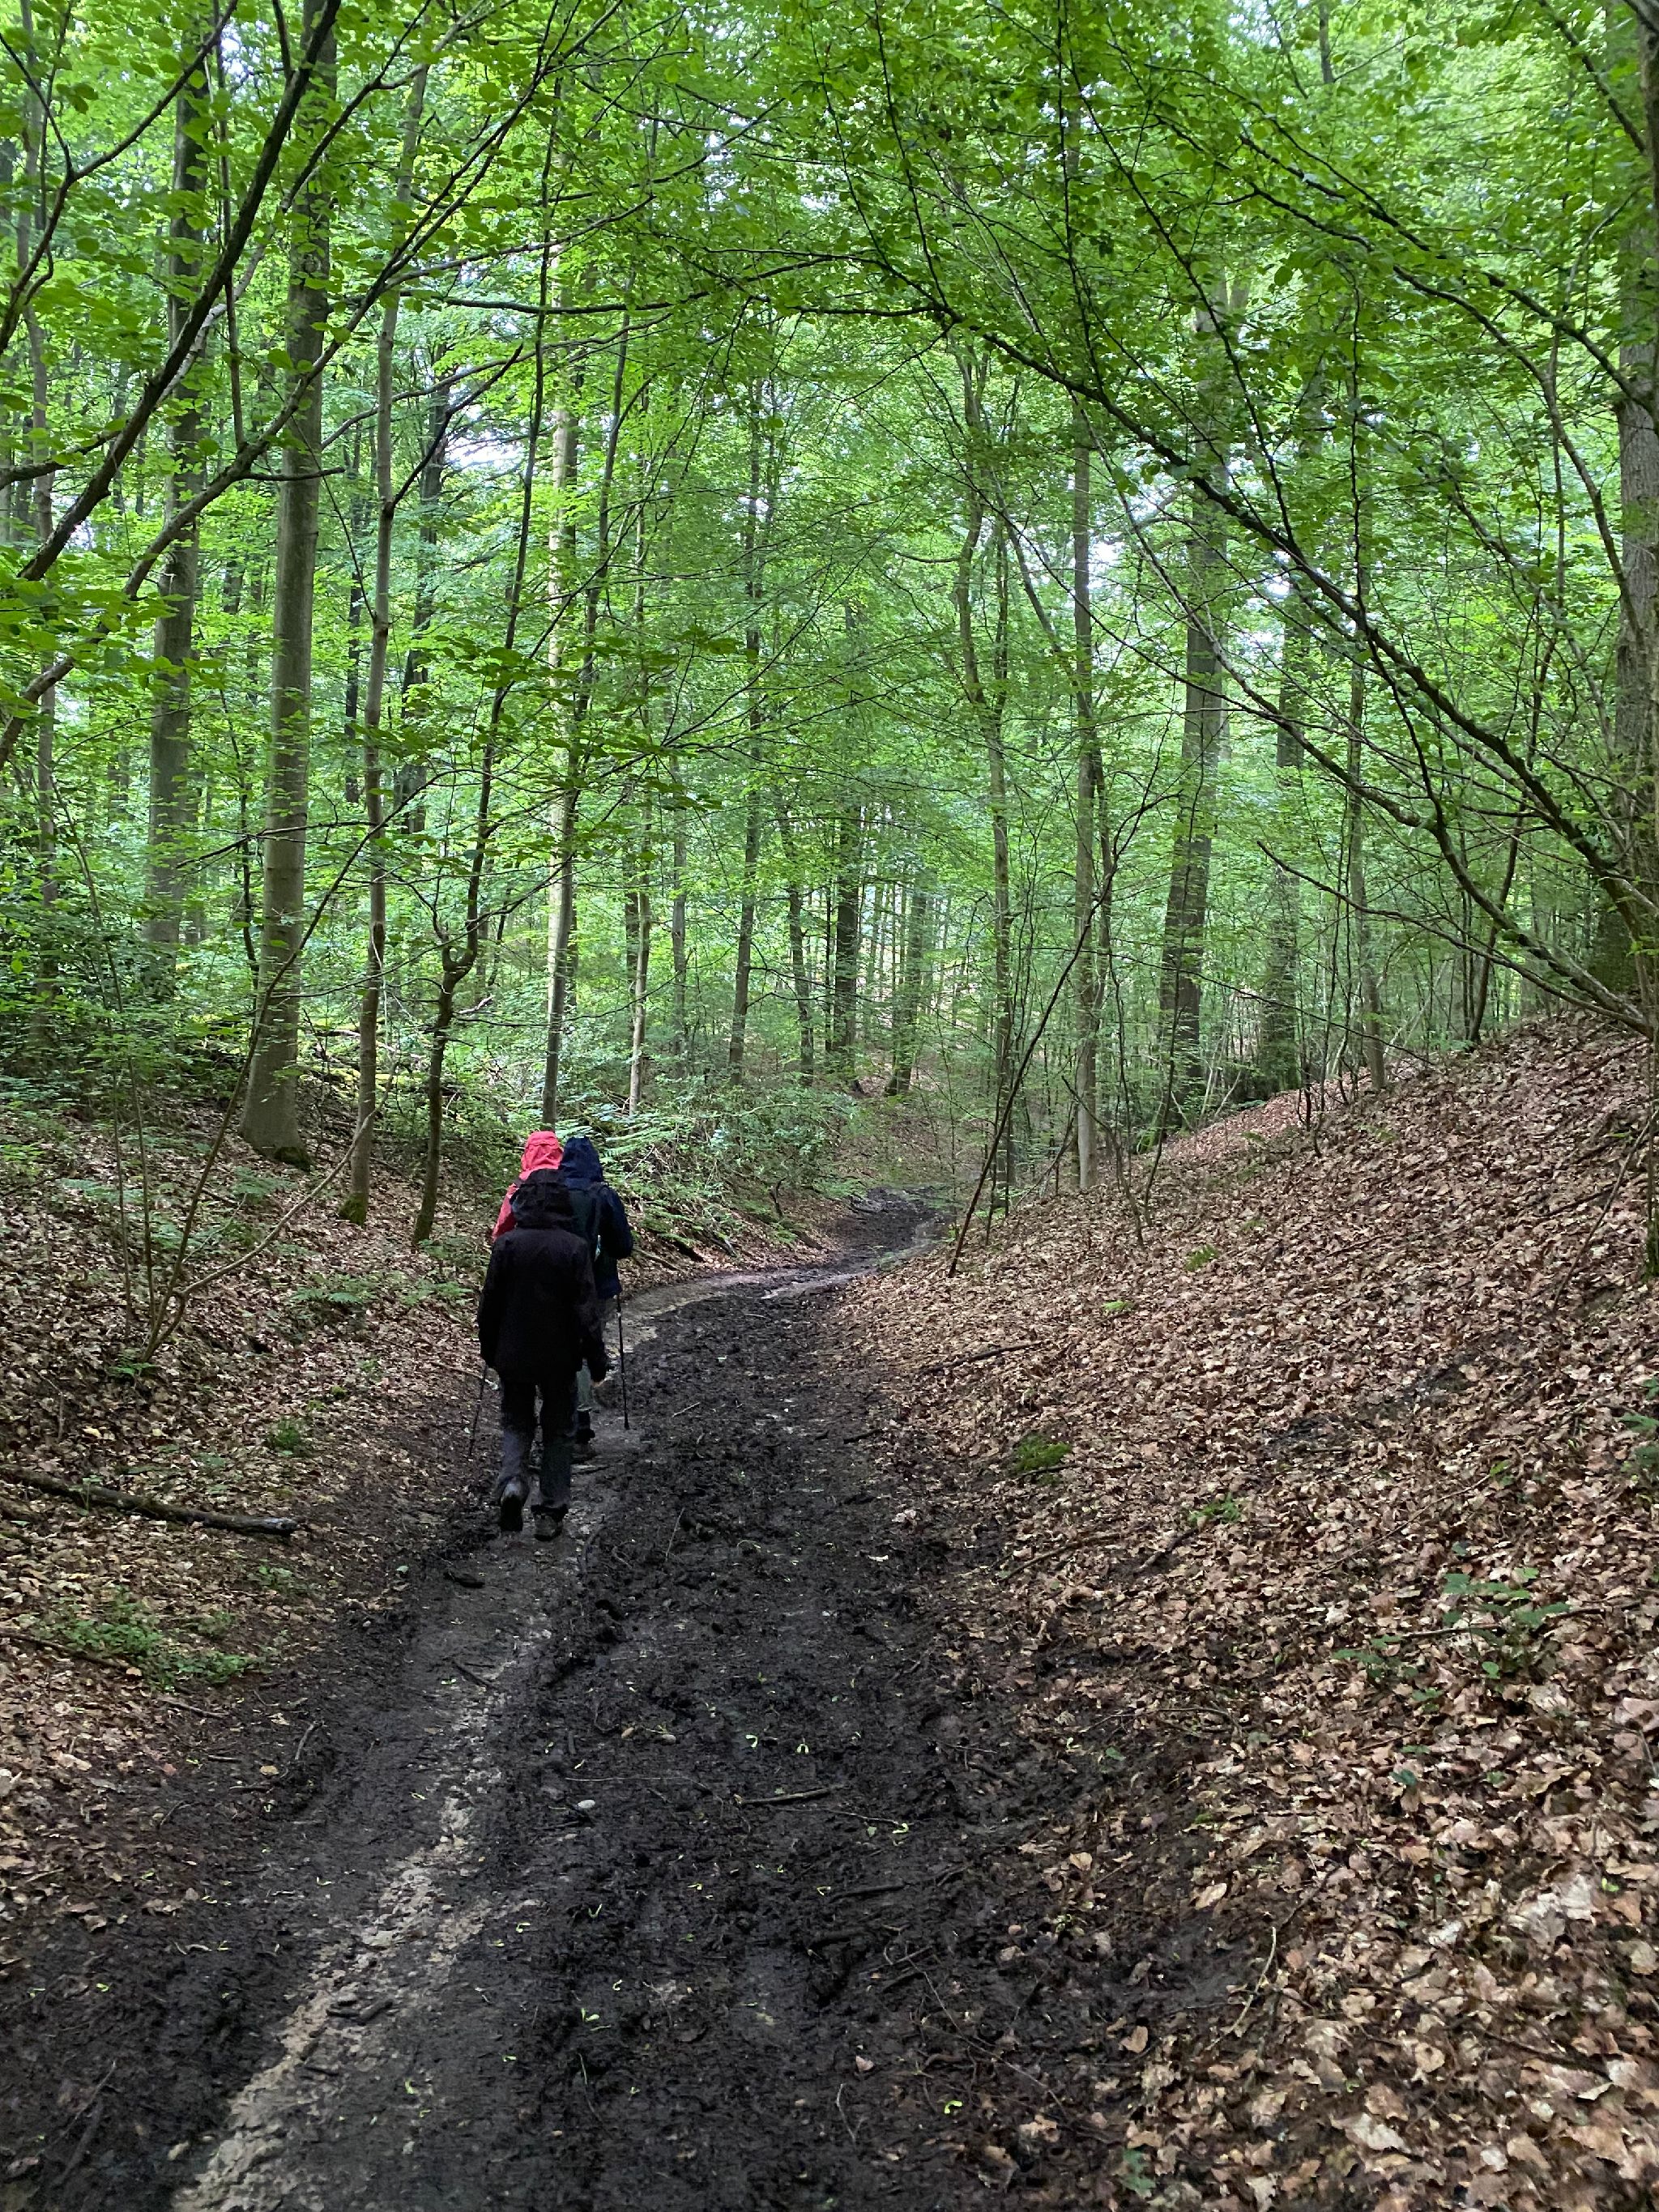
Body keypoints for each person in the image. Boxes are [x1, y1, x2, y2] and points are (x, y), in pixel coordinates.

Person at [476, 1167, 608, 1536]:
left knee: (516, 1421)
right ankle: (550, 1511)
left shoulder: (507, 1245)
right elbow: (586, 1312)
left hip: (513, 1354)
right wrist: (597, 1360)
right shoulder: (575, 1248)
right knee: (559, 1430)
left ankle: (513, 1483)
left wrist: (490, 1349)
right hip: (560, 1358)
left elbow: (490, 1305)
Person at [557, 1134, 634, 1460]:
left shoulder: (550, 1192)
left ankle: (552, 1427)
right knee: (584, 1350)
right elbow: (623, 1246)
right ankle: (579, 1431)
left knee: (555, 1348)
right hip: (596, 1285)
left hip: (554, 1284)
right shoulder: (603, 1195)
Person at [493, 1128, 564, 1239]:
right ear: (557, 1150)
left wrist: (499, 1238)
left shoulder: (522, 1181)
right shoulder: (565, 1178)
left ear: (529, 1151)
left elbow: (506, 1217)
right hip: (562, 1240)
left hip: (525, 1239)